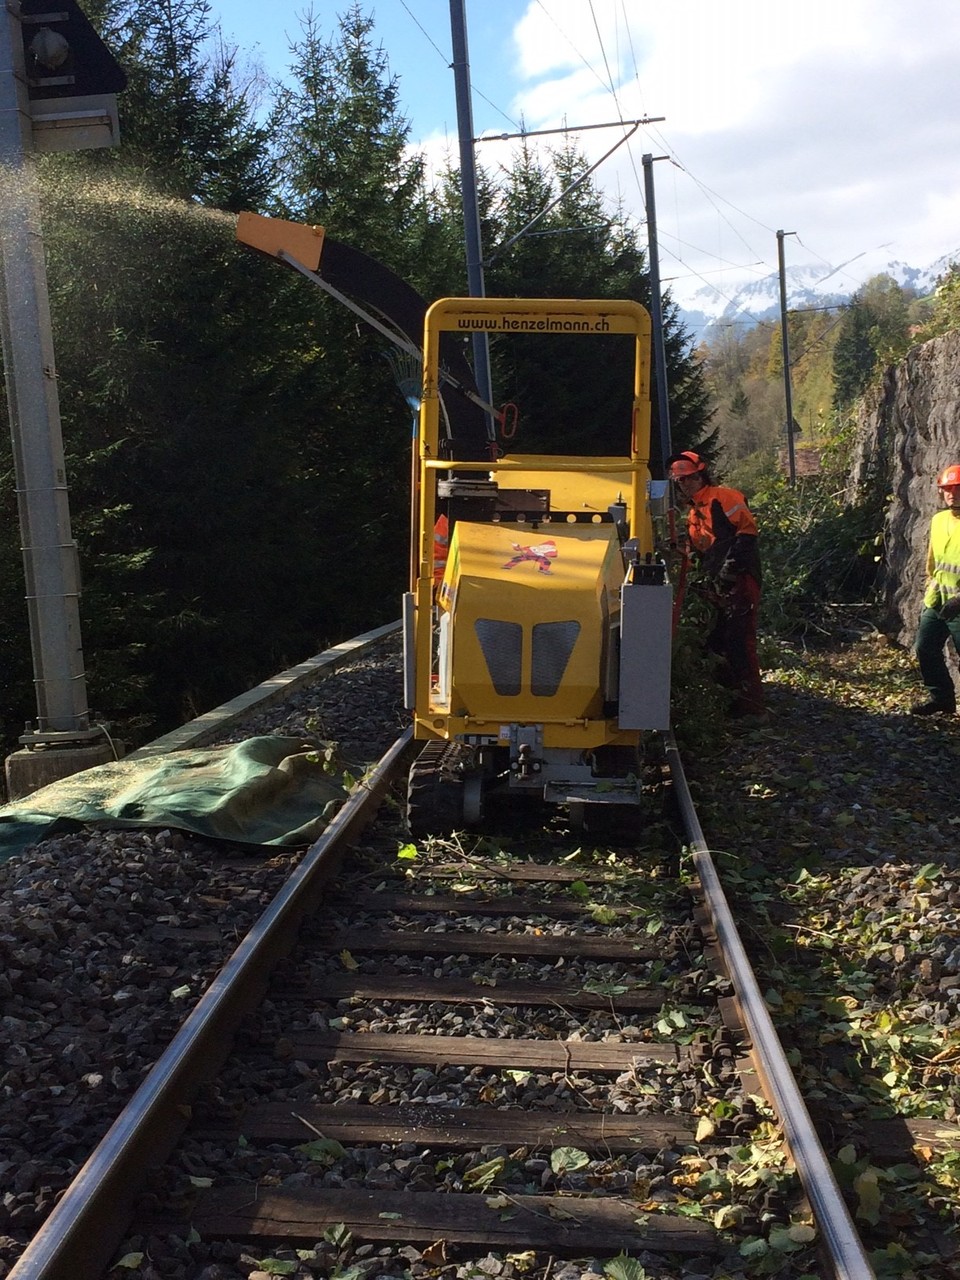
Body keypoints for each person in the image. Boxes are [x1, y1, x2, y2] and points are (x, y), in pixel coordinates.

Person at [667, 450, 764, 718]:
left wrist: (728, 572)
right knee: (716, 641)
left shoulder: (723, 497)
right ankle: (728, 702)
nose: (686, 484)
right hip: (715, 585)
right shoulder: (692, 515)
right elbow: (696, 553)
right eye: (681, 481)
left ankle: (753, 709)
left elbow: (747, 534)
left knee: (739, 641)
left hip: (741, 580)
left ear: (701, 475)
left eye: (690, 479)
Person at [912, 464, 960, 715]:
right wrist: (931, 589)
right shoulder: (939, 520)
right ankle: (941, 699)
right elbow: (933, 562)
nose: (952, 493)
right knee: (925, 647)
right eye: (947, 489)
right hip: (939, 599)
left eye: (957, 488)